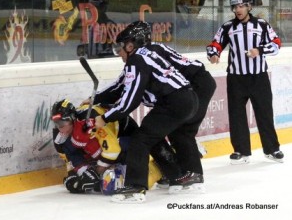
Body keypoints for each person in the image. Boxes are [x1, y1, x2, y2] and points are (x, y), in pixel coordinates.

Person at [92, 23, 201, 203]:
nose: (118, 52)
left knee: (140, 139)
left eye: (120, 47)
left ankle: (135, 187)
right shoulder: (144, 56)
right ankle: (177, 176)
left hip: (174, 102)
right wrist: (95, 98)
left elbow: (130, 100)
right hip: (187, 99)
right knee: (152, 137)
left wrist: (105, 118)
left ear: (130, 46)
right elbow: (121, 88)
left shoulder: (136, 60)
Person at [128, 20, 216, 186]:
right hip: (195, 83)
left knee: (182, 131)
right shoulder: (148, 52)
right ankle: (183, 171)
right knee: (177, 130)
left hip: (197, 83)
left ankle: (192, 173)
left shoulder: (149, 52)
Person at [206, 0, 284, 165]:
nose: (238, 9)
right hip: (236, 78)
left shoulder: (262, 25)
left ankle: (272, 149)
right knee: (237, 115)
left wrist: (260, 50)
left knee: (264, 113)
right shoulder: (227, 27)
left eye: (241, 6)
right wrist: (213, 54)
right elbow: (215, 44)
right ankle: (241, 151)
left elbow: (276, 44)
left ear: (249, 7)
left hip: (259, 78)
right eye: (235, 7)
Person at [51, 99, 182, 194]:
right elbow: (71, 158)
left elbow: (113, 149)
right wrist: (79, 175)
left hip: (123, 133)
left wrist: (97, 171)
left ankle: (162, 166)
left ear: (73, 118)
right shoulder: (60, 137)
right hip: (108, 146)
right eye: (56, 123)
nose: (60, 127)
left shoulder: (91, 121)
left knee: (133, 178)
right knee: (102, 184)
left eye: (62, 122)